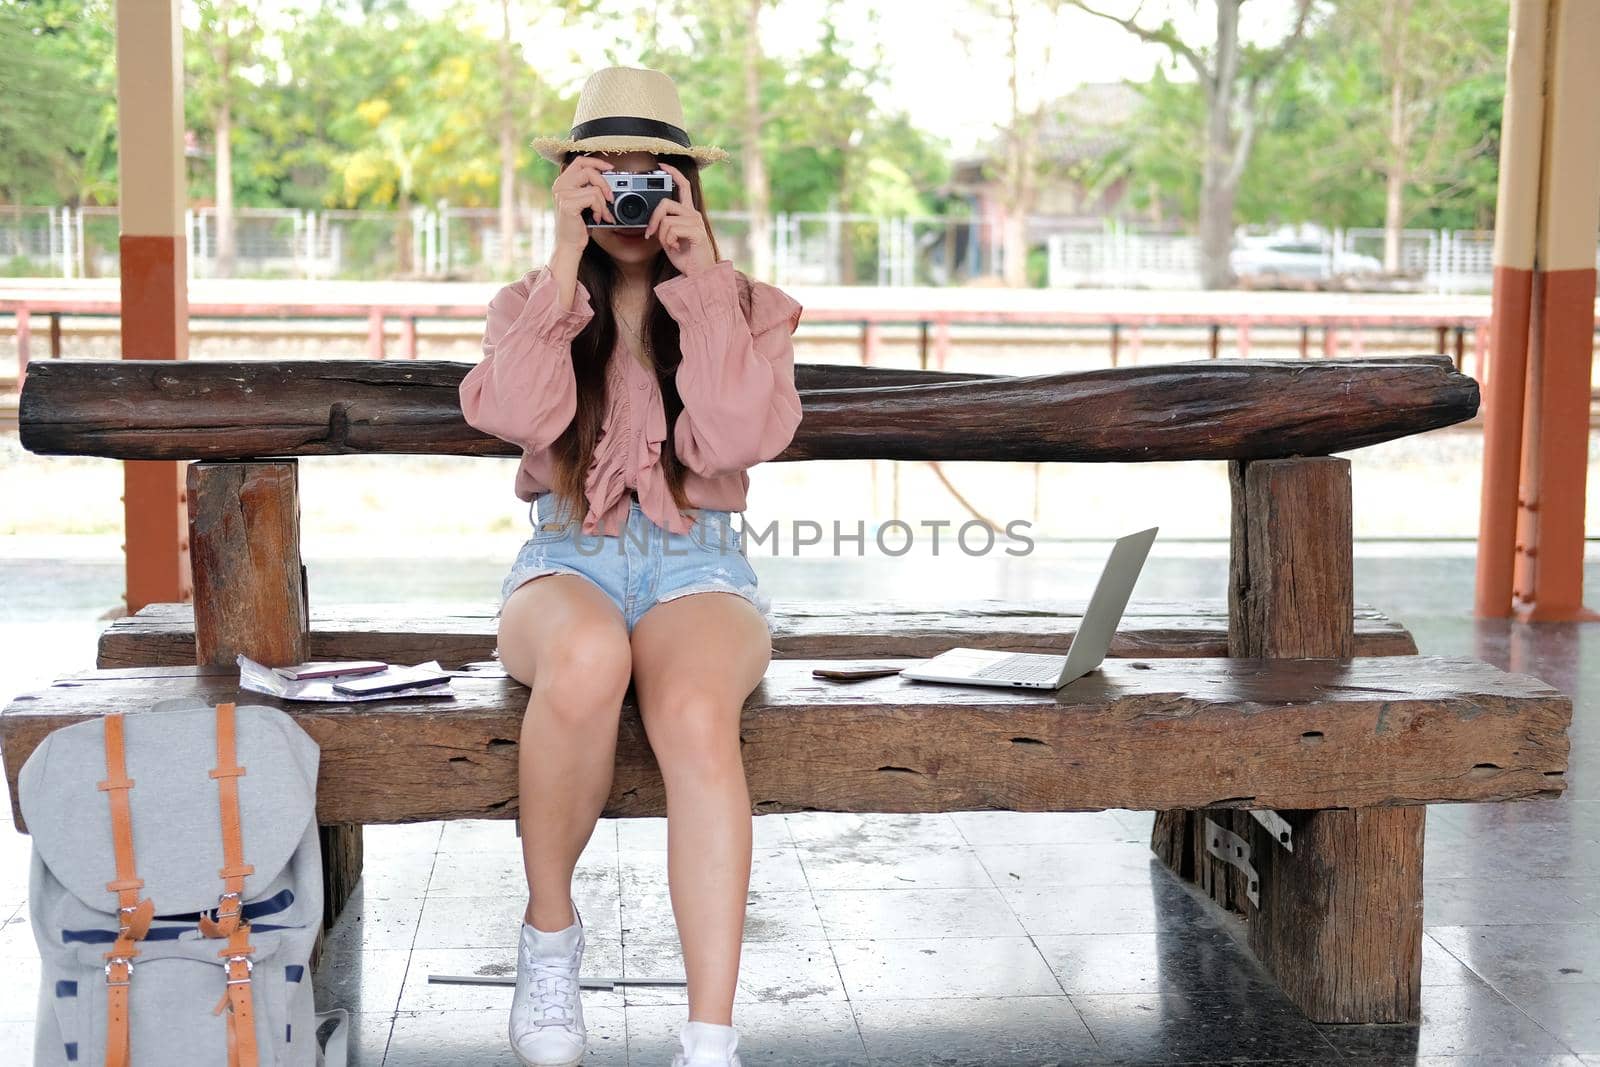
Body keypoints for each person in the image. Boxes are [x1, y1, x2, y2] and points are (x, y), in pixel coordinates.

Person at [457, 66, 804, 1067]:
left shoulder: (749, 307)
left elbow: (730, 440)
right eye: (604, 177)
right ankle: (549, 943)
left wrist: (700, 287)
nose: (627, 200)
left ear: (688, 190)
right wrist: (565, 258)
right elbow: (519, 418)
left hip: (699, 563)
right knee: (586, 659)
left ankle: (708, 1037)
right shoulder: (531, 301)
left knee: (696, 711)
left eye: (650, 179)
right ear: (570, 181)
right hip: (565, 554)